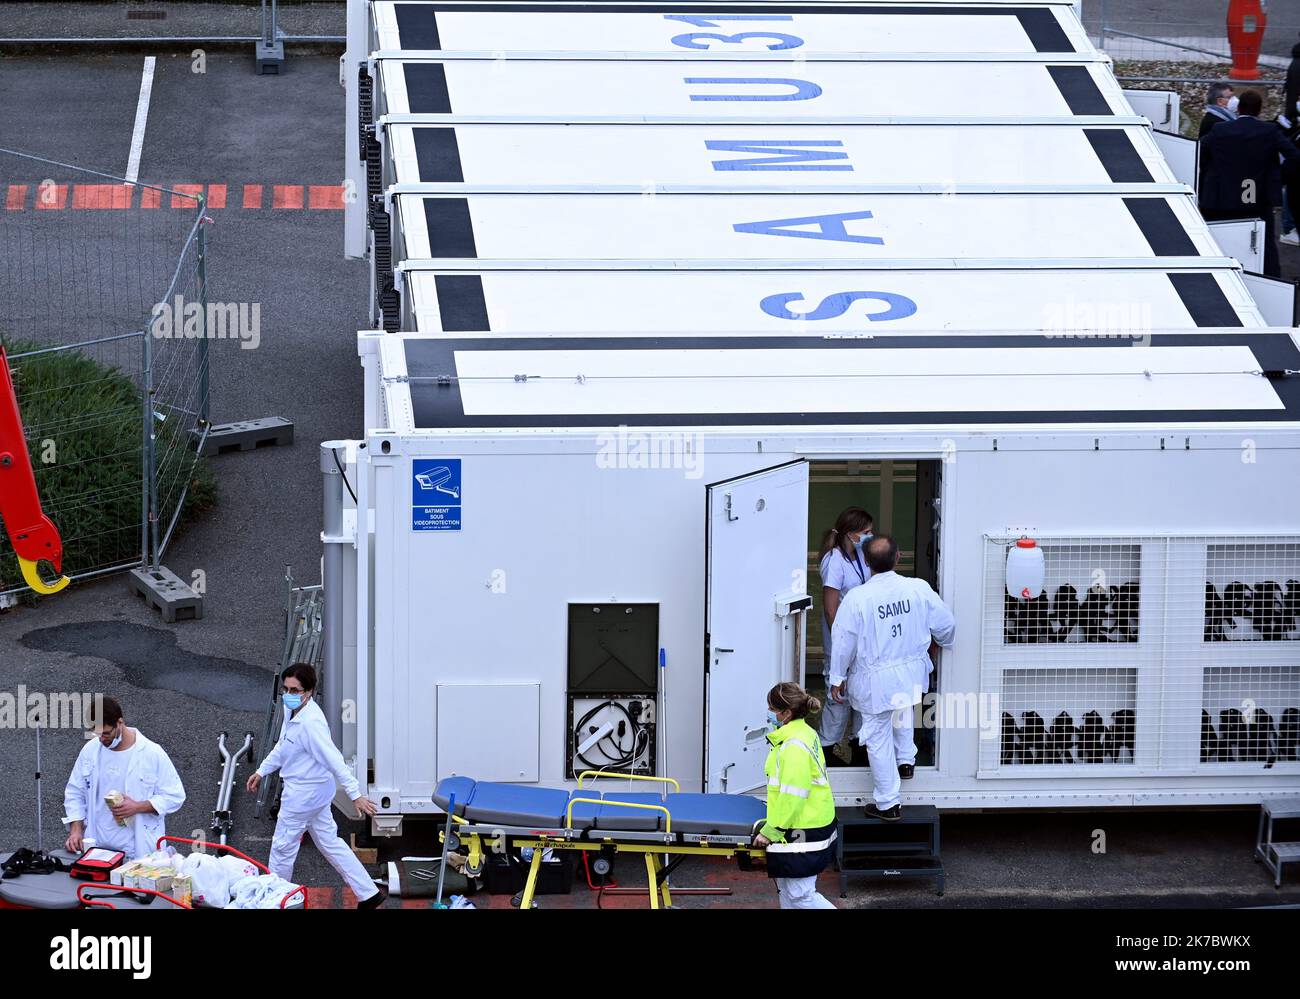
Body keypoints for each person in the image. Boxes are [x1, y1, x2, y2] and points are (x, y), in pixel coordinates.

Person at [828, 536, 955, 821]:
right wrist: (939, 644)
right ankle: (906, 761)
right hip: (911, 673)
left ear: (867, 563)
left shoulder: (857, 599)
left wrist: (837, 677)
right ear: (898, 557)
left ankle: (888, 803)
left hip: (875, 679)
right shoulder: (918, 589)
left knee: (877, 735)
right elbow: (947, 624)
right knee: (903, 709)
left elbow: (843, 642)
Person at [246, 663, 386, 909]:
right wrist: (262, 770)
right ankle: (369, 894)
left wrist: (355, 795)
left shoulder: (311, 724)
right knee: (330, 843)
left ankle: (276, 900)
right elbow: (284, 746)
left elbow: (334, 760)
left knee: (282, 849)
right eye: (286, 690)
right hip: (316, 794)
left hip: (302, 796)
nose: (289, 695)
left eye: (295, 690)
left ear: (309, 691)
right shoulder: (295, 712)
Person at [63, 696, 185, 860]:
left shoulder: (152, 753)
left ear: (120, 723)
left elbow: (175, 796)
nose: (101, 739)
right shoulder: (90, 750)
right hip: (96, 849)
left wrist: (137, 806)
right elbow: (75, 792)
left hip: (138, 852)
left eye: (106, 733)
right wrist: (76, 830)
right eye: (97, 733)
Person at [753, 682, 837, 909]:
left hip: (802, 826)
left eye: (772, 708)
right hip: (809, 821)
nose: (769, 713)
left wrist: (772, 830)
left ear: (786, 713)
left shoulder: (793, 746)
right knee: (788, 892)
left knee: (800, 895)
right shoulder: (804, 733)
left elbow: (793, 795)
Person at [1200, 89, 1300, 277]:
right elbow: (1294, 156)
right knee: (1264, 240)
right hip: (1257, 195)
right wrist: (1279, 177)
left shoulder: (1220, 130)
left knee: (1224, 237)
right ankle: (1271, 279)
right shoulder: (1269, 131)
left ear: (1238, 108)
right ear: (1260, 110)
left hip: (1224, 196)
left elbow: (1200, 151)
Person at [816, 506, 874, 766]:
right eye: (866, 532)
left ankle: (859, 745)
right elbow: (831, 609)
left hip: (863, 639)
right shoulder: (834, 559)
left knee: (861, 693)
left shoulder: (861, 555)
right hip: (842, 639)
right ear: (851, 534)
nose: (870, 536)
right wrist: (842, 645)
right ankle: (826, 750)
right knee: (837, 696)